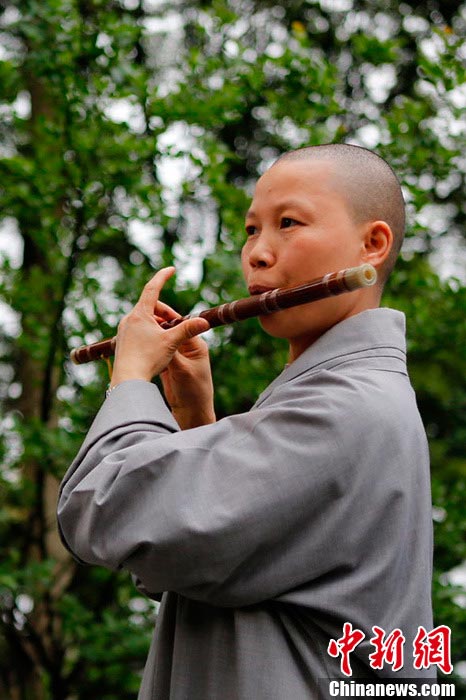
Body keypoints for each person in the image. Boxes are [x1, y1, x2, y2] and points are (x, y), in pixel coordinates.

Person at [57, 144, 435, 699]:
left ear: (371, 245)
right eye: (251, 230)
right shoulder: (340, 397)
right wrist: (194, 421)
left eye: (288, 223)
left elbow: (109, 510)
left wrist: (131, 379)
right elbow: (201, 562)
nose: (258, 253)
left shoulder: (345, 408)